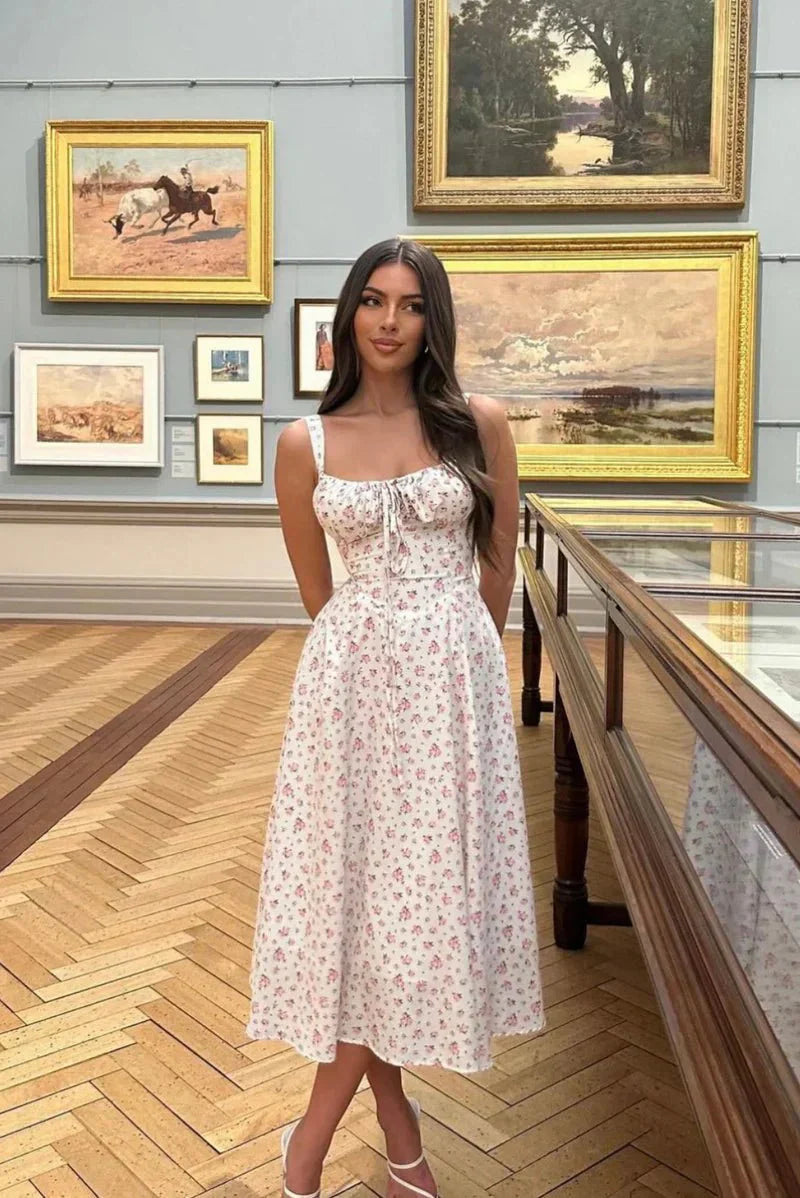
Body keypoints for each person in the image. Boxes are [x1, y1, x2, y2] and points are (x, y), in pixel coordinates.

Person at [248, 237, 544, 1198]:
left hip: (452, 689)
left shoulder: (478, 425)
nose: (389, 321)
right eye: (373, 301)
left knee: (414, 918)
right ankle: (393, 1123)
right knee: (361, 914)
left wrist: (457, 653)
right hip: (350, 697)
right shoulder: (305, 444)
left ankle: (312, 1140)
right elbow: (318, 592)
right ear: (349, 314)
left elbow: (496, 566)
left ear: (433, 320)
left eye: (411, 305)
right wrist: (378, 645)